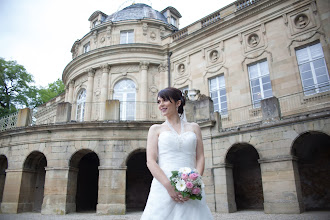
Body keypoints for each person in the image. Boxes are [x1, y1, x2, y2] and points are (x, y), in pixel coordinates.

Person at [141, 87, 213, 220]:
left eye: (164, 101)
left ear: (178, 103)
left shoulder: (194, 127)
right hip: (163, 184)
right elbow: (150, 161)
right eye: (158, 102)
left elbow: (200, 157)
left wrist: (194, 182)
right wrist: (168, 186)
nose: (161, 105)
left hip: (190, 183)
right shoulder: (155, 129)